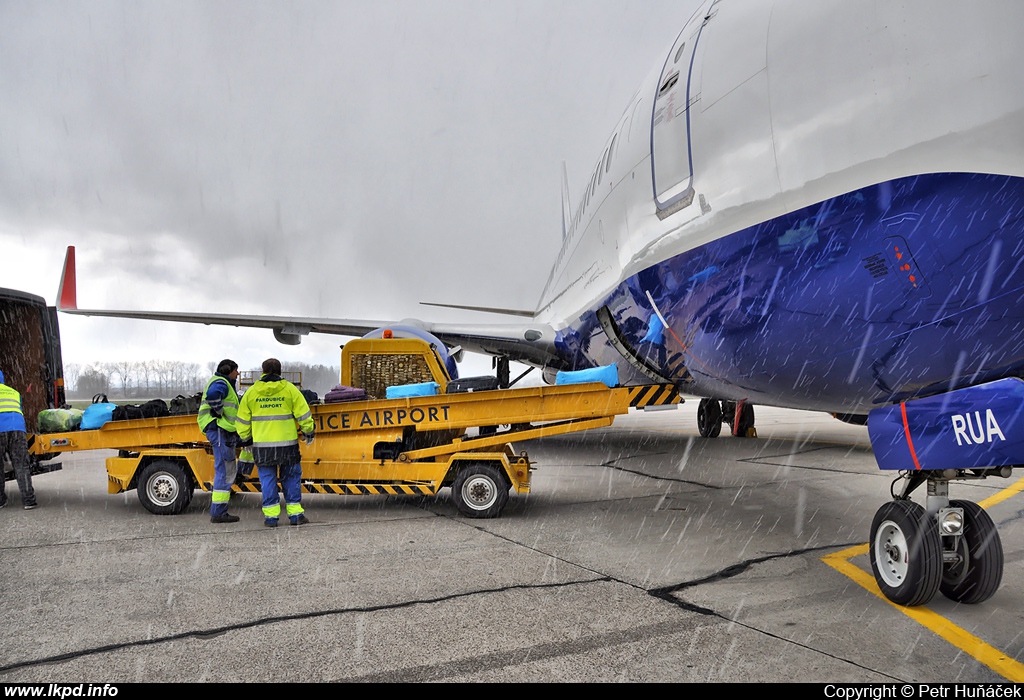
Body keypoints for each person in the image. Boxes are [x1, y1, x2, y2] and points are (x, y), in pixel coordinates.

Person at [235, 358, 314, 527]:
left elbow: (242, 421)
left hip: (263, 447)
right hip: (288, 446)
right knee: (291, 478)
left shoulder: (251, 393)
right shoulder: (290, 390)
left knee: (268, 480)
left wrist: (246, 439)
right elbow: (304, 414)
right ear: (280, 372)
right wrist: (308, 431)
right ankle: (295, 515)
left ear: (263, 372)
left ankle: (271, 518)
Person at [198, 359, 241, 524]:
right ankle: (218, 512)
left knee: (227, 467)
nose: (237, 374)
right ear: (229, 370)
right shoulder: (221, 382)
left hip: (222, 429)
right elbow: (213, 395)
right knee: (224, 468)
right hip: (218, 428)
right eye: (236, 371)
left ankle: (219, 510)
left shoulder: (222, 382)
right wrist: (218, 411)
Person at [0, 369, 37, 510]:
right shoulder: (13, 392)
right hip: (17, 429)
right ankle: (29, 500)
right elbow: (19, 409)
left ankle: (1, 500)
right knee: (21, 465)